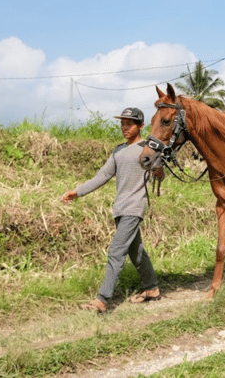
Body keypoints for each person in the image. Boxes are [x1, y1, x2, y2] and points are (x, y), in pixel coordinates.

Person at [61, 107, 160, 313]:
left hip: (134, 207)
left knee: (116, 250)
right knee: (136, 251)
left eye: (129, 124)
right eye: (122, 124)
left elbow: (159, 175)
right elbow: (102, 176)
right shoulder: (118, 151)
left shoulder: (147, 149)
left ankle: (102, 299)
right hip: (120, 208)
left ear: (141, 126)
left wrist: (157, 165)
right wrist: (77, 192)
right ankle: (152, 288)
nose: (124, 127)